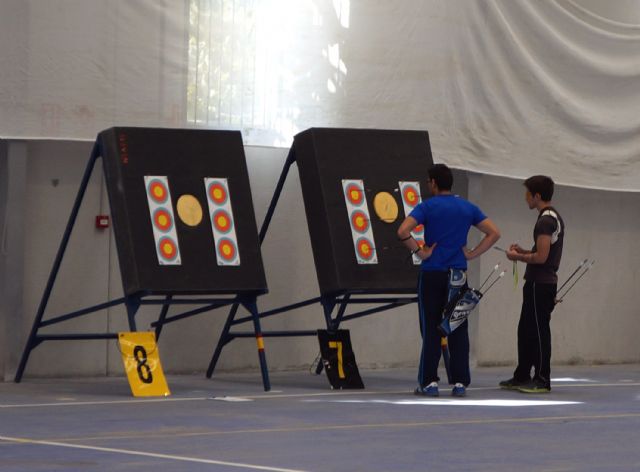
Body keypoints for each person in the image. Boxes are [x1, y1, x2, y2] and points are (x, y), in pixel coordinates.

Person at [397, 164, 500, 397]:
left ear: (433, 182)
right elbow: (494, 232)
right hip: (458, 275)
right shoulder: (467, 207)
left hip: (432, 273)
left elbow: (403, 231)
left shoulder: (427, 206)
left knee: (432, 327)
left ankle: (429, 382)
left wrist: (421, 252)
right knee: (457, 325)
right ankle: (460, 383)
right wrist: (472, 253)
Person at [501, 175, 564, 393]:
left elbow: (542, 258)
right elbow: (538, 252)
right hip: (536, 283)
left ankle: (542, 379)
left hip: (541, 284)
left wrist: (516, 258)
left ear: (537, 196)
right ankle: (522, 375)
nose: (525, 198)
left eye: (527, 194)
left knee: (538, 331)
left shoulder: (546, 221)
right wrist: (523, 251)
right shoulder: (549, 217)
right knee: (526, 329)